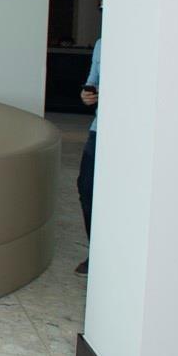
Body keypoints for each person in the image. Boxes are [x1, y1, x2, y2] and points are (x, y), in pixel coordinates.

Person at [76, 38, 101, 275]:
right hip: (98, 130)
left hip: (132, 134)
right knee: (86, 188)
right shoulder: (101, 45)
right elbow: (91, 83)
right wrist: (88, 95)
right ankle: (97, 251)